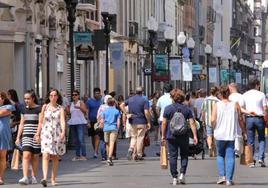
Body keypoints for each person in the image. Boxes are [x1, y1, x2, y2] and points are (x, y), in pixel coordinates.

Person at [161, 89, 198, 185]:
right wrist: (195, 135)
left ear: (172, 98)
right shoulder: (187, 109)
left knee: (173, 156)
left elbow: (164, 123)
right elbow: (192, 122)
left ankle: (174, 177)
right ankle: (182, 174)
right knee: (184, 155)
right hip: (183, 135)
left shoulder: (168, 108)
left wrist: (163, 136)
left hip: (171, 135)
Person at [211, 86, 246, 186]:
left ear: (220, 94)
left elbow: (213, 120)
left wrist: (214, 127)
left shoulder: (216, 105)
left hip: (219, 134)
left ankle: (222, 176)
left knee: (220, 155)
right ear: (229, 93)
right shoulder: (235, 105)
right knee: (230, 156)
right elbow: (240, 120)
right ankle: (229, 180)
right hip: (231, 134)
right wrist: (244, 131)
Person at [35, 89, 66, 187]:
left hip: (56, 134)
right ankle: (44, 178)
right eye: (51, 95)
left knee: (55, 157)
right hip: (46, 133)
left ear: (57, 97)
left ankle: (53, 178)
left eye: (55, 95)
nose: (53, 97)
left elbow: (62, 121)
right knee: (45, 155)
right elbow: (40, 122)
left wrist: (63, 132)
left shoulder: (60, 108)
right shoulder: (45, 107)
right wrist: (37, 133)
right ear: (49, 97)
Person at [15, 90, 41, 185]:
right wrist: (18, 137)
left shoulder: (39, 109)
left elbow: (40, 123)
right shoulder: (23, 109)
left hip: (36, 136)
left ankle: (33, 177)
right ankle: (25, 177)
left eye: (28, 98)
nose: (26, 100)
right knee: (26, 155)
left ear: (33, 98)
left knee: (35, 157)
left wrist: (38, 134)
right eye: (25, 98)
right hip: (26, 135)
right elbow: (21, 124)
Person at [240, 79, 267, 167]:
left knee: (250, 140)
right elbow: (265, 108)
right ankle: (261, 158)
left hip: (249, 119)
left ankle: (251, 161)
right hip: (259, 118)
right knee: (261, 138)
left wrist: (248, 112)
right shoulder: (261, 94)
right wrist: (265, 115)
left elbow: (241, 108)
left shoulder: (245, 95)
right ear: (256, 85)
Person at [120, 86, 151, 161]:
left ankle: (130, 149)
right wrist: (148, 121)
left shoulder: (130, 99)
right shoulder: (144, 100)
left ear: (135, 92)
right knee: (140, 137)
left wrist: (126, 113)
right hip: (141, 121)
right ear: (142, 92)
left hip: (132, 121)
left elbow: (121, 105)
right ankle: (139, 154)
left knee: (133, 137)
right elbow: (146, 112)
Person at [67, 90, 88, 161]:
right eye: (73, 95)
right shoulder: (71, 104)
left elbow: (85, 111)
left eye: (75, 95)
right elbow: (69, 113)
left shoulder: (80, 102)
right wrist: (66, 110)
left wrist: (79, 107)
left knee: (81, 139)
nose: (74, 96)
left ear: (78, 96)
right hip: (73, 123)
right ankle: (77, 155)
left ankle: (84, 155)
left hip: (80, 123)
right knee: (76, 140)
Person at [100, 97, 121, 166]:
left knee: (107, 143)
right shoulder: (116, 111)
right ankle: (109, 157)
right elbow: (118, 121)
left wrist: (102, 127)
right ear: (114, 103)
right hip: (113, 128)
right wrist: (117, 129)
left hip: (106, 129)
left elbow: (102, 121)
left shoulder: (104, 111)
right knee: (112, 143)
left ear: (107, 103)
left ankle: (108, 156)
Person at [0, 92, 14, 185]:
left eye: (1, 97)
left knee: (2, 156)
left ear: (4, 99)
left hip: (3, 134)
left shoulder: (8, 107)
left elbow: (1, 113)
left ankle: (0, 177)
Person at [201, 86, 219, 157]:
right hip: (216, 121)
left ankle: (209, 147)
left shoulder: (206, 100)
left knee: (209, 135)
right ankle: (214, 149)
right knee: (215, 135)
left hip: (208, 120)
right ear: (216, 92)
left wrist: (203, 120)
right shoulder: (218, 101)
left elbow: (203, 112)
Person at [86, 88, 102, 158]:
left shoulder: (101, 101)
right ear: (94, 93)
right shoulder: (89, 101)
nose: (97, 95)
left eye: (98, 93)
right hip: (91, 121)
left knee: (97, 136)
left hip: (98, 121)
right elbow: (87, 111)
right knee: (93, 137)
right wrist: (87, 120)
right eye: (96, 93)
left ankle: (95, 151)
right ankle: (95, 149)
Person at [228, 83, 244, 157]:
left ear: (231, 88)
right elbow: (242, 107)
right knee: (238, 132)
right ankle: (237, 150)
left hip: (230, 117)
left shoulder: (229, 97)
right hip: (239, 115)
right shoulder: (241, 96)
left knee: (232, 132)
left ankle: (233, 148)